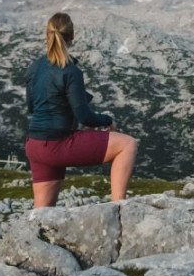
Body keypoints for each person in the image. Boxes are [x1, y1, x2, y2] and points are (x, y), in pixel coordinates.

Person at [24, 12, 137, 206]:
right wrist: (107, 120)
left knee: (41, 213)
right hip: (57, 143)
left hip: (35, 145)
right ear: (72, 37)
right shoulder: (70, 70)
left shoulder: (34, 67)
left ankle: (32, 236)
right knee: (127, 144)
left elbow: (31, 106)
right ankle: (119, 209)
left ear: (47, 35)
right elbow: (84, 117)